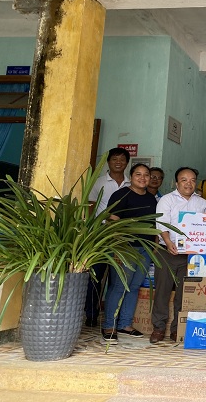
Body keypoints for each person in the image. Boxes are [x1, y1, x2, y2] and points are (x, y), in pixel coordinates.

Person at [150, 167, 206, 344]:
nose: (188, 183)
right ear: (177, 183)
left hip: (191, 256)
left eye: (192, 180)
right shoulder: (166, 200)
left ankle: (178, 328)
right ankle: (158, 328)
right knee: (162, 291)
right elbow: (161, 223)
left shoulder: (202, 204)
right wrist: (168, 242)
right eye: (184, 180)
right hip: (167, 251)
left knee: (184, 294)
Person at [101, 163, 158, 343]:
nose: (143, 178)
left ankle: (124, 324)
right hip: (126, 248)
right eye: (138, 174)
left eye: (146, 175)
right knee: (119, 286)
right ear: (131, 176)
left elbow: (154, 225)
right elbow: (112, 223)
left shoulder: (151, 199)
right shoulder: (121, 194)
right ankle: (109, 325)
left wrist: (155, 245)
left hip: (145, 248)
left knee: (133, 287)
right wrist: (118, 247)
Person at [85, 147, 131, 327]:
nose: (118, 162)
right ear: (108, 162)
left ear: (127, 163)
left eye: (122, 159)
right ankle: (91, 313)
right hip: (100, 234)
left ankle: (112, 317)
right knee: (95, 275)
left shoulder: (131, 184)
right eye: (114, 159)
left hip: (122, 237)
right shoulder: (99, 182)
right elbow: (90, 207)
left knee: (117, 278)